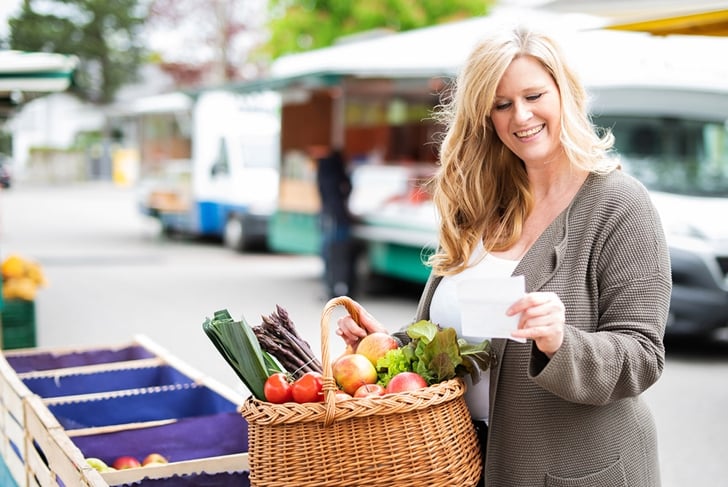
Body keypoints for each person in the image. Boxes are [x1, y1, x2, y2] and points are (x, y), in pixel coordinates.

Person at [336, 25, 671, 487]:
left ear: (564, 93)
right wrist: (394, 348)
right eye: (502, 104)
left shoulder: (619, 204)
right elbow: (470, 340)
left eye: (534, 95)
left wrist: (560, 340)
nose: (521, 115)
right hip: (468, 463)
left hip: (575, 471)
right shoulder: (483, 204)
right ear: (486, 116)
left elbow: (643, 356)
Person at [315, 147, 357, 299]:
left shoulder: (325, 171)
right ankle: (344, 288)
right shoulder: (339, 173)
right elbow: (348, 188)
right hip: (339, 220)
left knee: (330, 256)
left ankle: (331, 288)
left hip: (330, 219)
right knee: (343, 257)